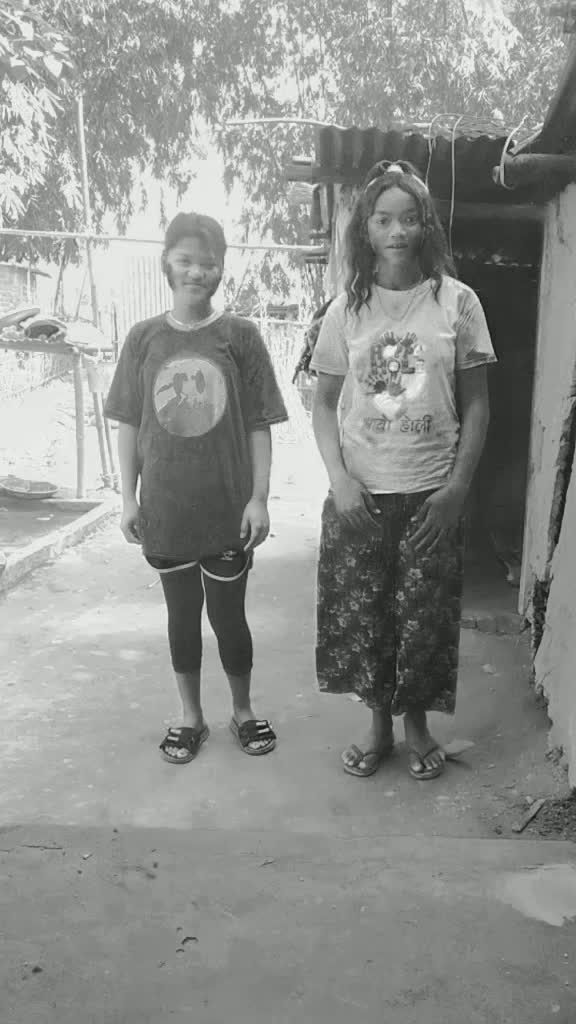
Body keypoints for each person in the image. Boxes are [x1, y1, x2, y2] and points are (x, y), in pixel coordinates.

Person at [310, 160, 496, 780]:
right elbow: (323, 404)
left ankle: (416, 726)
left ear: (426, 227)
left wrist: (458, 488)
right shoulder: (346, 310)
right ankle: (377, 727)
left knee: (424, 618)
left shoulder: (458, 303)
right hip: (361, 494)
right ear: (365, 229)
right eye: (383, 219)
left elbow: (478, 404)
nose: (396, 231)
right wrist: (339, 480)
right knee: (366, 616)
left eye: (409, 218)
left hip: (430, 494)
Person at [104, 212, 288, 764]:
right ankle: (191, 717)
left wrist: (259, 498)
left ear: (221, 268)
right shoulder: (143, 339)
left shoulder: (240, 336)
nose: (196, 272)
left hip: (227, 510)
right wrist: (128, 497)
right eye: (185, 260)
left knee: (229, 617)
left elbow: (259, 423)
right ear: (167, 263)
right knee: (181, 616)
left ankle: (243, 711)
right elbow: (129, 422)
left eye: (208, 262)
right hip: (165, 510)